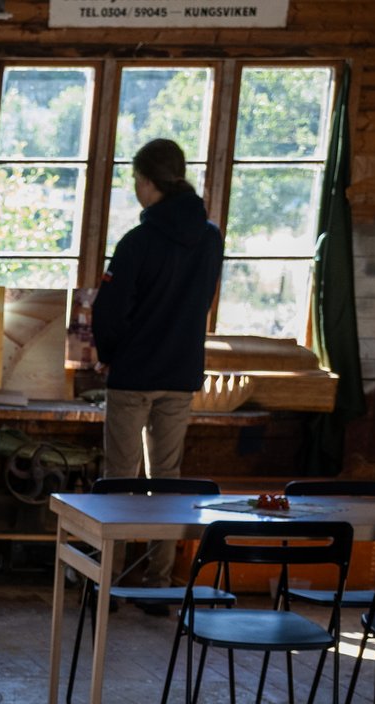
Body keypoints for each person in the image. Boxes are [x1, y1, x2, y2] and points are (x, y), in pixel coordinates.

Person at [92, 138, 223, 480]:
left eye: (136, 180)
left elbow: (109, 308)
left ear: (148, 182)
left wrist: (108, 354)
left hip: (133, 371)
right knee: (167, 477)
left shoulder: (137, 242)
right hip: (181, 370)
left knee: (119, 477)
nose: (137, 189)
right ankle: (163, 521)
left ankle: (118, 522)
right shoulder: (210, 240)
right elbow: (204, 298)